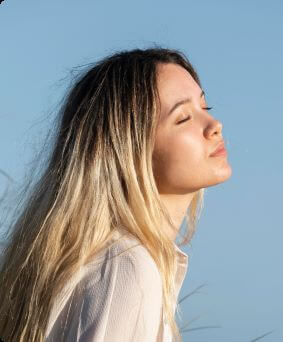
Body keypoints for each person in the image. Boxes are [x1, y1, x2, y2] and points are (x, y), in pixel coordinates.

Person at [0, 47, 232, 341]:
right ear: (128, 149)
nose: (214, 125)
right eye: (184, 118)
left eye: (205, 108)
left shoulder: (116, 261)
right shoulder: (125, 268)